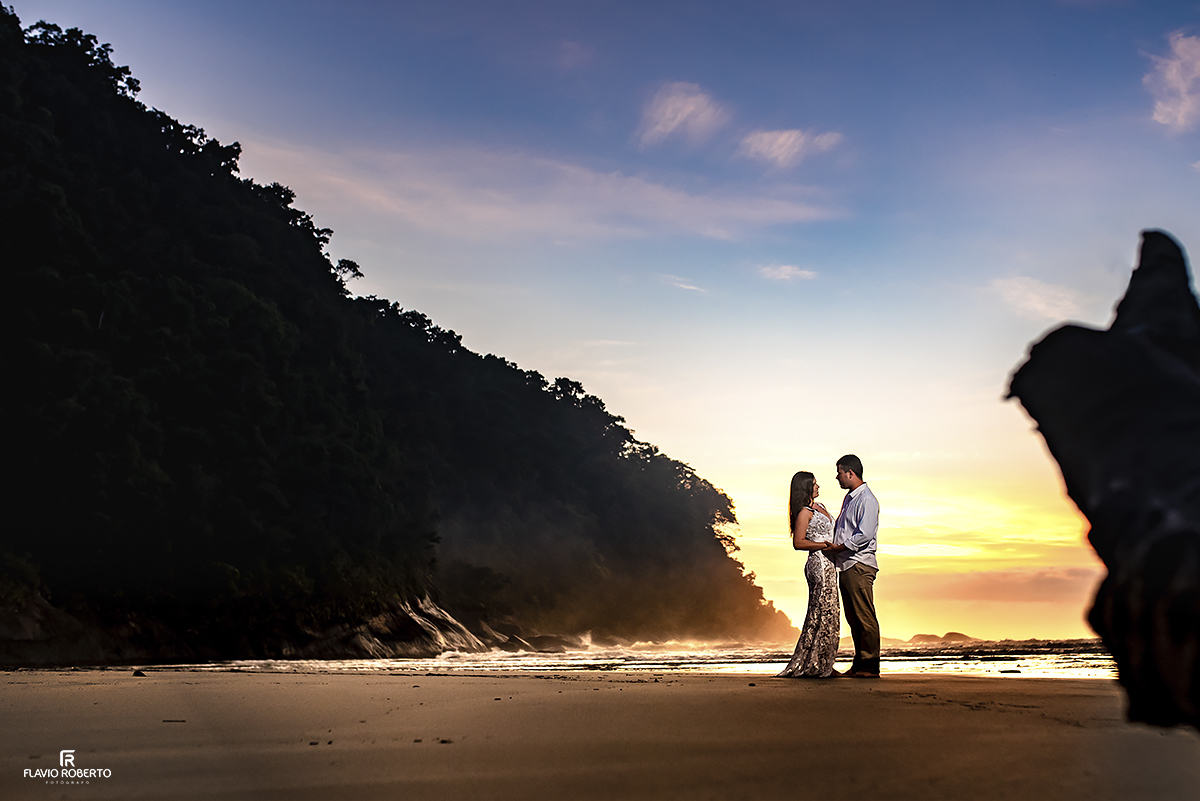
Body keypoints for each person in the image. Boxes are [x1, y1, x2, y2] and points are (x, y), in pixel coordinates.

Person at [777, 471, 841, 678]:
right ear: (805, 487)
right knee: (820, 611)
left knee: (830, 611)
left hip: (830, 564)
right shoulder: (804, 512)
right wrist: (824, 545)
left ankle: (823, 660)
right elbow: (799, 542)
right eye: (814, 484)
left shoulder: (819, 507)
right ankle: (815, 662)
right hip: (819, 563)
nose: (818, 486)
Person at [824, 454, 881, 678]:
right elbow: (845, 528)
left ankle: (870, 664)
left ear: (850, 473)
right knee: (854, 616)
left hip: (858, 563)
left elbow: (864, 535)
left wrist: (840, 547)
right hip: (847, 564)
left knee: (864, 615)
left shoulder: (866, 499)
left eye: (839, 472)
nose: (837, 477)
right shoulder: (850, 498)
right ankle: (860, 662)